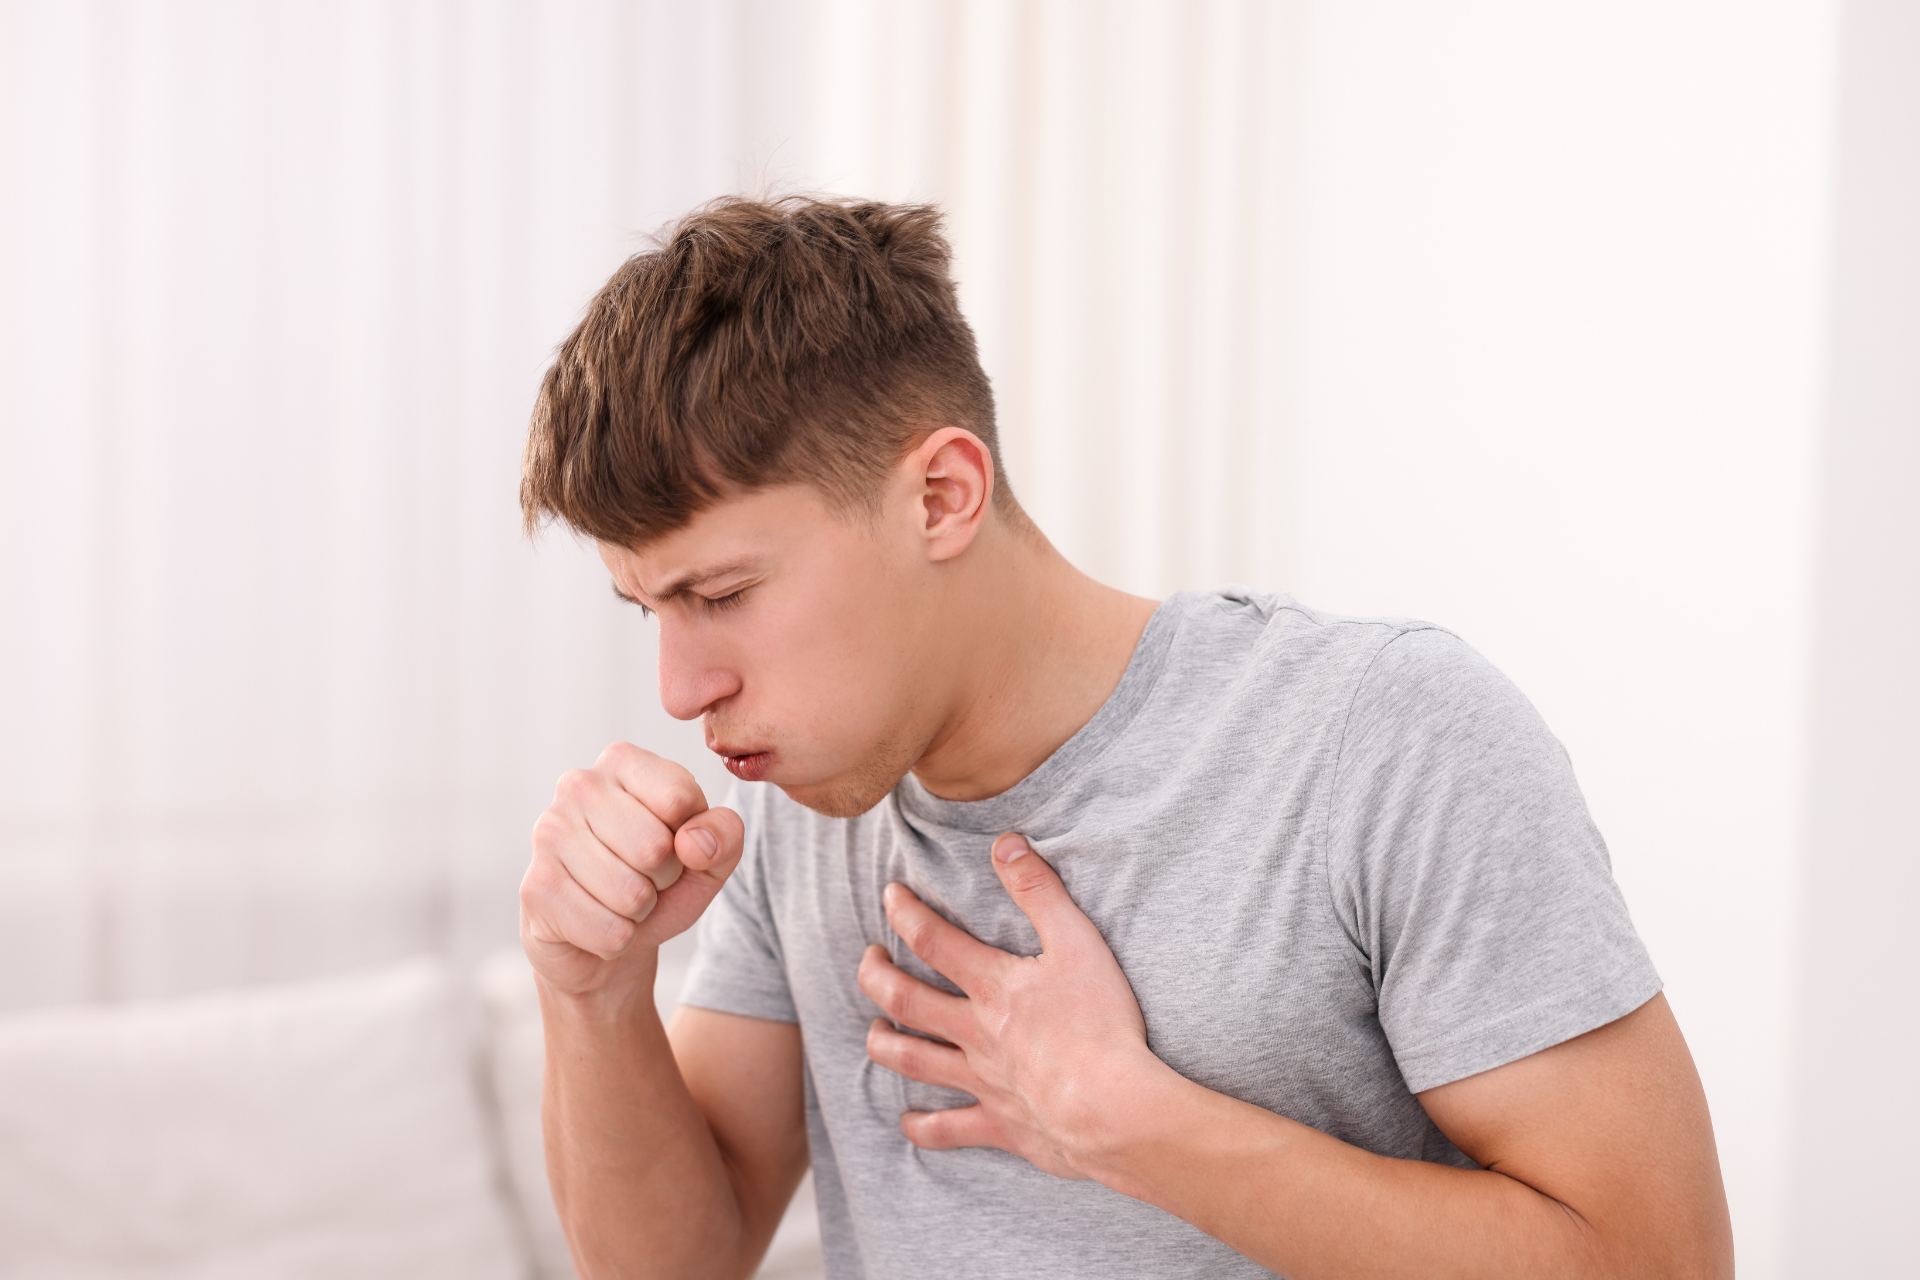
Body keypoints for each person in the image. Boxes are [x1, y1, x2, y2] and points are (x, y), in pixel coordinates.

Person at [516, 195, 1732, 1280]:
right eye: (650, 608)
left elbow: (1659, 1260)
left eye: (721, 596)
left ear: (941, 495)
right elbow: (675, 1259)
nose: (680, 687)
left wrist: (1135, 1124)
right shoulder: (804, 800)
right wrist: (594, 995)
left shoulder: (1384, 737)